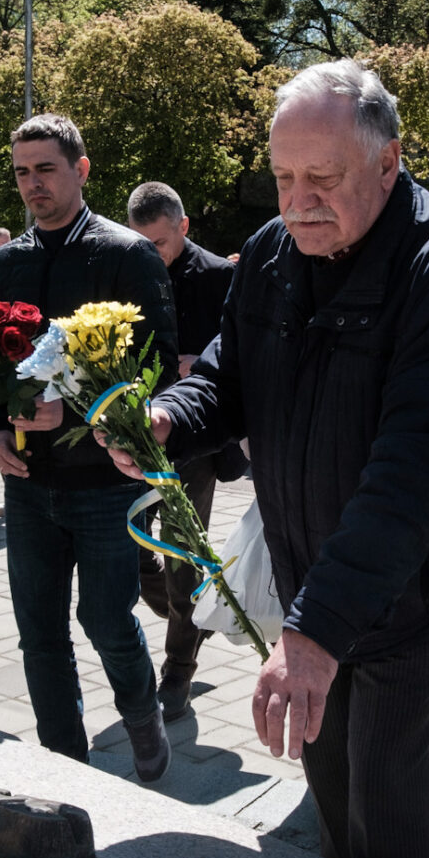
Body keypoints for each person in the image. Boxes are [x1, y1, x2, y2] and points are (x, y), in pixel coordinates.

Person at [113, 61, 429, 858]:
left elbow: (411, 474)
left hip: (406, 601)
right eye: (283, 178)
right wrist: (170, 418)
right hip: (308, 581)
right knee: (331, 812)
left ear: (388, 162)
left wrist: (314, 635)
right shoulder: (271, 252)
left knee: (385, 834)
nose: (297, 203)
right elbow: (229, 373)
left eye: (322, 178)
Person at [0, 113, 179, 780]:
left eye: (46, 169)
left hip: (105, 483)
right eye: (22, 172)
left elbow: (157, 364)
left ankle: (142, 714)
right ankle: (66, 763)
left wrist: (86, 408)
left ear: (81, 170)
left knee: (106, 619)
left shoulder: (125, 255)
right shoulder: (5, 264)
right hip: (28, 482)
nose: (33, 184)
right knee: (39, 631)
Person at [124, 180, 240, 722]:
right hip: (133, 431)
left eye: (161, 243)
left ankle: (178, 669)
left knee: (181, 555)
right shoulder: (125, 268)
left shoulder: (220, 276)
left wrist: (201, 364)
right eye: (141, 243)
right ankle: (192, 617)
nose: (151, 254)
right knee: (130, 549)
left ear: (184, 227)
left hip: (194, 437)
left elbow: (238, 353)